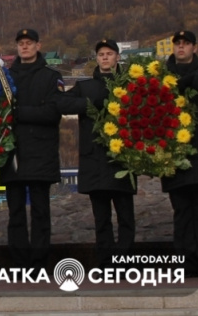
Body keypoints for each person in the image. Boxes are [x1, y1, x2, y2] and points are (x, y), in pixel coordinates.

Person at [62, 39, 135, 268]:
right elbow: (63, 104)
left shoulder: (129, 85)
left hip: (121, 161)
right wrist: (91, 105)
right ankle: (106, 264)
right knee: (101, 219)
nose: (105, 57)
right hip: (94, 161)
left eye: (109, 53)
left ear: (117, 58)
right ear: (97, 58)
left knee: (126, 218)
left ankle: (124, 262)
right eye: (101, 54)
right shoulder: (84, 87)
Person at [0, 29, 64, 271]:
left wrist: (19, 113)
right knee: (15, 214)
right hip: (12, 153)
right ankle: (18, 263)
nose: (24, 47)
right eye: (21, 44)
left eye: (29, 43)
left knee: (40, 212)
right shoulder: (5, 77)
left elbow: (52, 113)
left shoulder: (50, 76)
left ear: (38, 45)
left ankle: (39, 263)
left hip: (41, 153)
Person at [161, 30, 198, 278]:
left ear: (195, 48)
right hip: (174, 151)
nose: (181, 48)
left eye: (186, 44)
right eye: (178, 44)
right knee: (182, 210)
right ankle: (184, 262)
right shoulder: (162, 74)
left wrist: (194, 80)